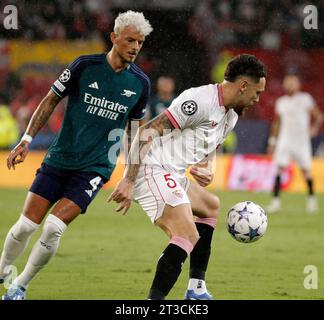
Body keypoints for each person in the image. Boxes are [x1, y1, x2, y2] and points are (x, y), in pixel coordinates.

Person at [0, 10, 153, 300]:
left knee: (53, 229)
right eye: (130, 40)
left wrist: (130, 178)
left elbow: (137, 134)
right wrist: (27, 139)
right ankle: (2, 268)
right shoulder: (84, 66)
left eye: (140, 42)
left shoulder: (140, 84)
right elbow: (50, 99)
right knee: (25, 226)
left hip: (94, 168)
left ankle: (19, 285)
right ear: (114, 38)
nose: (135, 47)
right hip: (59, 159)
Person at [109, 54, 266, 300]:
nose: (257, 99)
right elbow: (147, 133)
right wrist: (129, 180)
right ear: (243, 85)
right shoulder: (199, 101)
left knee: (210, 207)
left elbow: (211, 144)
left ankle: (196, 289)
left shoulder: (232, 114)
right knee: (187, 234)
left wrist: (207, 167)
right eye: (257, 92)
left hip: (172, 173)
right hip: (151, 168)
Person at [267, 74, 323, 214]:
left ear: (298, 84)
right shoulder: (281, 101)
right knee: (279, 170)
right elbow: (277, 123)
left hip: (301, 141)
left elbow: (319, 116)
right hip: (285, 140)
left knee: (306, 172)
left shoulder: (305, 99)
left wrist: (314, 128)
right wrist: (272, 141)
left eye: (292, 82)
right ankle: (275, 202)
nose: (289, 85)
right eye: (287, 82)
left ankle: (311, 201)